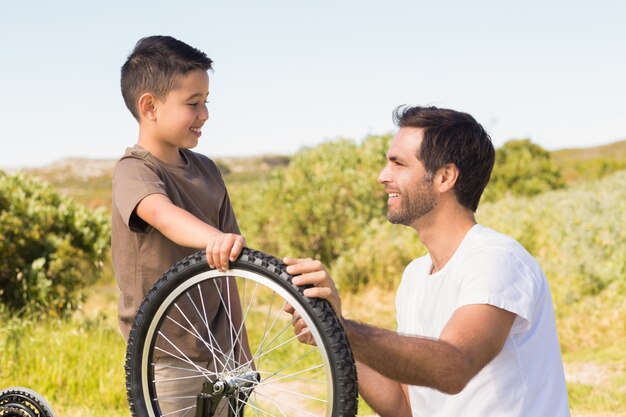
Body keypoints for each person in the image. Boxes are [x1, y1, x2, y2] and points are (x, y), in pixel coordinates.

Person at [284, 105, 570, 416]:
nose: (383, 177)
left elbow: (453, 366)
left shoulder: (497, 260)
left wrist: (346, 328)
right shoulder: (415, 275)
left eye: (398, 164)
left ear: (445, 176)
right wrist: (331, 329)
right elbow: (403, 406)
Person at [112, 35, 246, 415]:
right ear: (150, 106)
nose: (204, 114)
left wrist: (242, 347)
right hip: (164, 352)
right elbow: (160, 213)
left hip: (220, 349)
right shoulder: (134, 169)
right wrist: (214, 239)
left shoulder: (207, 170)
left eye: (206, 102)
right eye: (193, 104)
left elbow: (230, 269)